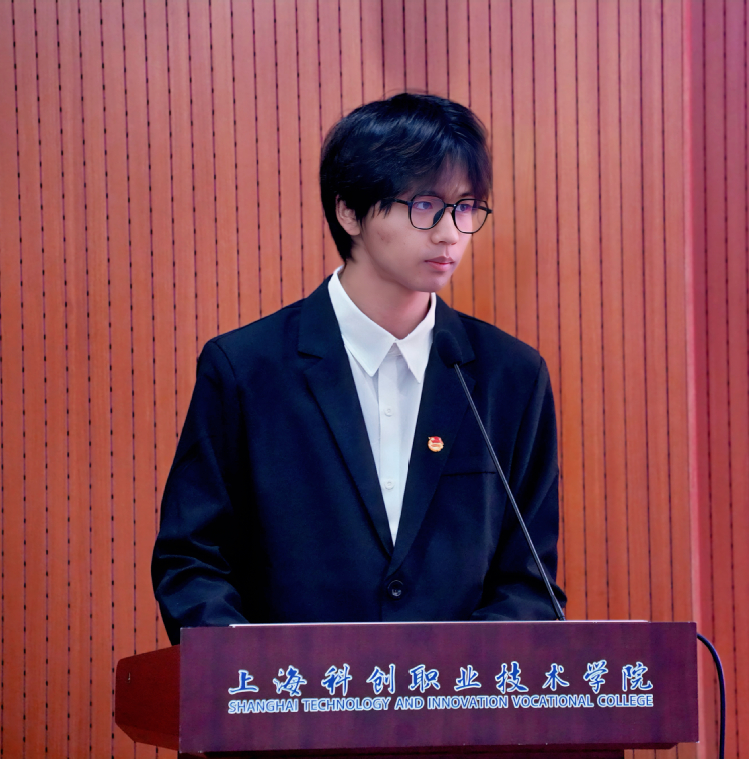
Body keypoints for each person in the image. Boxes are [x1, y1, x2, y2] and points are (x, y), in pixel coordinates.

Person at [151, 93, 565, 645]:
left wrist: (453, 675)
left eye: (466, 207)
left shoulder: (511, 377)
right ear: (349, 211)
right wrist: (247, 667)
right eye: (426, 204)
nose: (450, 233)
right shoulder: (246, 370)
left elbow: (529, 581)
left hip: (458, 698)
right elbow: (191, 561)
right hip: (294, 695)